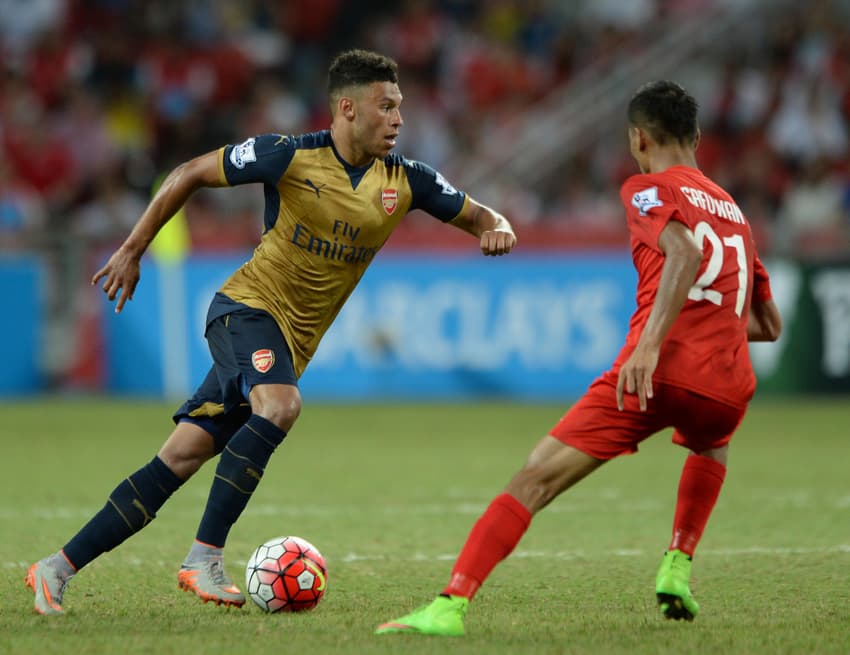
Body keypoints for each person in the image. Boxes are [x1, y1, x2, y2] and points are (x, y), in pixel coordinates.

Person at [25, 48, 517, 615]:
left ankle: (54, 569)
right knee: (280, 405)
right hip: (244, 310)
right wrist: (133, 251)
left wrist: (496, 227)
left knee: (181, 457)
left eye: (400, 107)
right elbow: (187, 173)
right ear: (348, 109)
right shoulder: (286, 155)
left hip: (288, 344)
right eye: (387, 107)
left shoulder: (405, 181)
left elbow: (483, 215)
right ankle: (203, 558)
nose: (399, 120)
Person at [375, 80, 782, 637]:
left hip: (657, 371)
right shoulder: (736, 213)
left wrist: (650, 345)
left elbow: (683, 251)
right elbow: (766, 322)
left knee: (533, 479)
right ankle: (678, 565)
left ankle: (449, 605)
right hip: (728, 386)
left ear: (639, 138)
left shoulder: (647, 188)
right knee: (713, 439)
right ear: (697, 137)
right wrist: (713, 335)